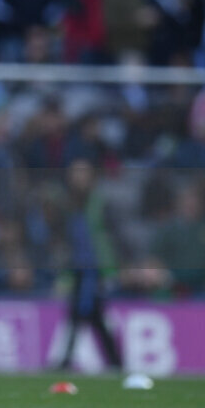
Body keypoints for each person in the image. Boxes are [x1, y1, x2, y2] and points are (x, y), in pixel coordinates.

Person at [57, 158, 123, 371]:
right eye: (75, 173)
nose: (79, 178)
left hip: (96, 269)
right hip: (77, 268)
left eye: (83, 173)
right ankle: (115, 362)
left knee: (81, 312)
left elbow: (115, 236)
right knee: (94, 316)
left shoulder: (101, 203)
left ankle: (67, 360)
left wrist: (116, 267)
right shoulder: (67, 203)